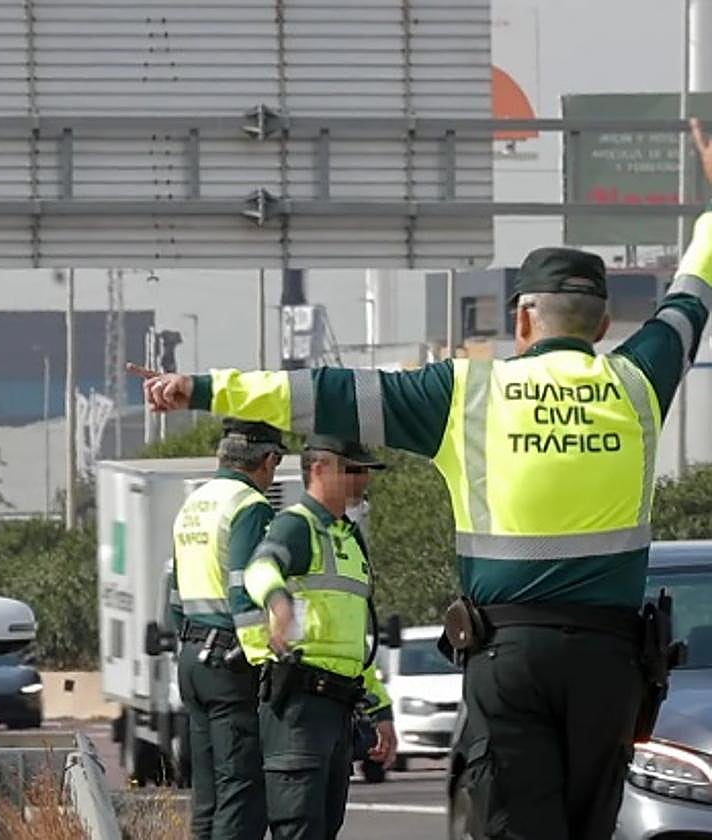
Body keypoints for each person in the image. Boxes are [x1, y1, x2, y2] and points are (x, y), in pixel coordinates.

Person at [131, 119, 712, 840]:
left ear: (523, 318)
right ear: (600, 325)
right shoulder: (639, 381)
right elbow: (691, 296)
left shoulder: (465, 395)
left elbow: (325, 392)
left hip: (510, 661)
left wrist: (200, 388)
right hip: (611, 664)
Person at [243, 435, 396, 840]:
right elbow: (260, 567)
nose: (362, 480)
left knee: (325, 830)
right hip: (300, 708)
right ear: (319, 469)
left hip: (340, 709)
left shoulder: (350, 538)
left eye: (365, 471)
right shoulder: (297, 525)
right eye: (353, 470)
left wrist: (381, 711)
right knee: (299, 829)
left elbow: (355, 642)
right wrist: (278, 604)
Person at [166, 418, 286, 839]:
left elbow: (175, 597)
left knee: (208, 794)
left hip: (192, 658)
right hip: (231, 664)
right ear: (269, 460)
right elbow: (244, 586)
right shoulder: (249, 505)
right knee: (241, 790)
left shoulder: (194, 505)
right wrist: (264, 657)